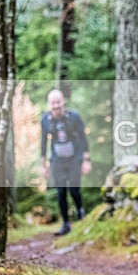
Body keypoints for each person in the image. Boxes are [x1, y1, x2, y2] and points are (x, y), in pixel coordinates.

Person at [41, 89, 91, 236]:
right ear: (49, 104)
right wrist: (43, 164)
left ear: (63, 101)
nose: (56, 105)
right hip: (57, 160)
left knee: (74, 190)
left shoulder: (74, 117)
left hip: (74, 158)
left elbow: (83, 138)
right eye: (53, 103)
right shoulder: (45, 120)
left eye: (58, 102)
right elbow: (43, 141)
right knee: (61, 192)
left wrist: (86, 160)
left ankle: (81, 214)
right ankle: (65, 223)